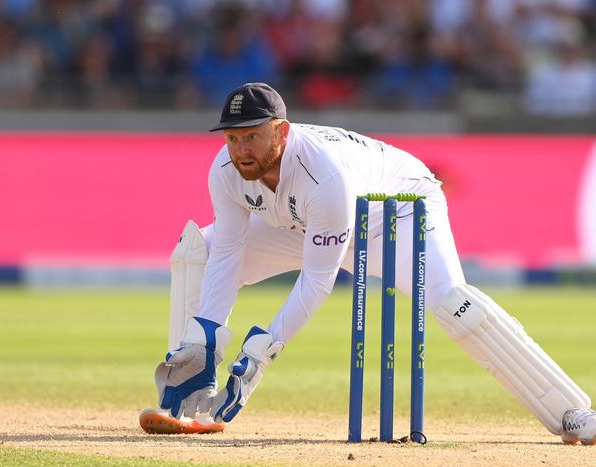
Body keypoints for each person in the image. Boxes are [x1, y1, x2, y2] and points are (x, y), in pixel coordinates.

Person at [139, 82, 596, 444]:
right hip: (304, 224)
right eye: (234, 139)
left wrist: (263, 351)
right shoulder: (226, 170)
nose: (241, 151)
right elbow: (228, 254)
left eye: (253, 137)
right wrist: (210, 337)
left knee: (455, 304)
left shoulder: (324, 172)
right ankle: (188, 392)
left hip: (393, 212)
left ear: (281, 131)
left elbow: (318, 280)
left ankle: (570, 412)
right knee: (198, 251)